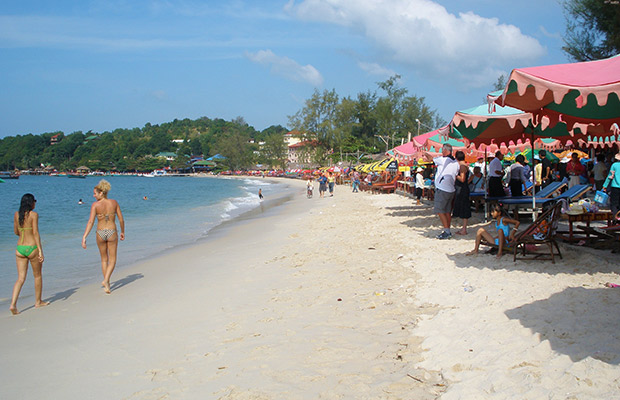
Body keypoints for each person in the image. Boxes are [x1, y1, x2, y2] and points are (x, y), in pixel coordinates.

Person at [82, 179, 125, 294]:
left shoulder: (95, 205)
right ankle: (106, 280)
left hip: (100, 232)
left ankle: (107, 284)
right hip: (111, 231)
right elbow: (121, 219)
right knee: (113, 260)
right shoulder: (114, 203)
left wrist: (84, 236)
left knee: (104, 259)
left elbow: (90, 222)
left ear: (101, 193)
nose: (93, 195)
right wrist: (122, 231)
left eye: (95, 193)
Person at [10, 194, 48, 315]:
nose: (35, 203)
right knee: (37, 276)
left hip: (20, 248)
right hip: (32, 248)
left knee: (20, 278)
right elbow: (36, 233)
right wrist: (41, 251)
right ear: (31, 203)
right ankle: (38, 301)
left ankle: (13, 304)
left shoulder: (17, 215)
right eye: (34, 201)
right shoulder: (34, 215)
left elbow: (16, 231)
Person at [433, 143, 459, 239]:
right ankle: (448, 229)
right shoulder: (455, 162)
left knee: (440, 210)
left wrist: (424, 152)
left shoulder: (442, 160)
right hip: (451, 189)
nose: (441, 152)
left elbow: (430, 159)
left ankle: (446, 231)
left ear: (445, 150)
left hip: (442, 188)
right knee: (447, 211)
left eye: (442, 150)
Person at [452, 151, 471, 235]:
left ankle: (464, 229)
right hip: (464, 188)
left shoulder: (462, 166)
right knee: (464, 207)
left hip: (462, 189)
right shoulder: (465, 165)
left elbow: (462, 179)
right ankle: (463, 228)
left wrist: (455, 175)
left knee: (464, 208)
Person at [603, 153, 620, 223]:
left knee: (614, 203)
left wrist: (605, 185)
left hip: (615, 187)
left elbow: (610, 176)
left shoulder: (614, 165)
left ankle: (615, 218)